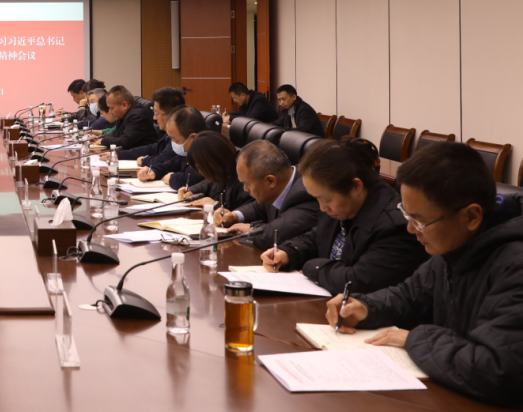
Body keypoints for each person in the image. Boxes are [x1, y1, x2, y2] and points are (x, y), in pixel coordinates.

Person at [326, 142, 523, 407]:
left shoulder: (515, 266)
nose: (410, 229)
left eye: (419, 220)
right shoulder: (454, 245)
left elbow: (499, 371)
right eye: (406, 214)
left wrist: (416, 338)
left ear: (472, 216)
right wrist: (365, 307)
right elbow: (410, 296)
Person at [261, 138, 427, 294]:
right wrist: (289, 252)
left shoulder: (395, 227)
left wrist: (312, 268)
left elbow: (358, 281)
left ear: (355, 187)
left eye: (326, 199)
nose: (322, 207)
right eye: (317, 199)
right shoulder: (343, 205)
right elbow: (319, 236)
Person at [215, 140, 319, 248]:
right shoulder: (279, 186)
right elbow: (258, 207)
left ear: (270, 181)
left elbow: (273, 235)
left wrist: (252, 228)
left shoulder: (306, 193)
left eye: (247, 184)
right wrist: (234, 216)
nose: (245, 189)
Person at [120, 88, 186, 182]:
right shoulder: (165, 133)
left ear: (171, 114)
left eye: (157, 113)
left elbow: (162, 160)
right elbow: (153, 149)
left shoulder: (182, 135)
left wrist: (144, 160)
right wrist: (118, 155)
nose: (154, 118)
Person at [176, 132, 253, 211]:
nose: (201, 172)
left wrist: (216, 205)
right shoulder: (222, 172)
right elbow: (208, 183)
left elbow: (243, 214)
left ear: (212, 164)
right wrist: (192, 190)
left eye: (200, 167)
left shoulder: (243, 181)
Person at [142, 105, 206, 188]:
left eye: (175, 139)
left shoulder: (207, 153)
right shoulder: (187, 152)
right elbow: (171, 164)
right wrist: (154, 171)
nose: (172, 143)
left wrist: (171, 178)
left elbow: (189, 180)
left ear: (193, 138)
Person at [99, 85, 156, 150]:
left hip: (144, 155)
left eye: (112, 108)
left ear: (124, 105)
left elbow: (124, 142)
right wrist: (99, 139)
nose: (110, 112)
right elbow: (116, 133)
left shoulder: (136, 116)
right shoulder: (124, 113)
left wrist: (103, 141)